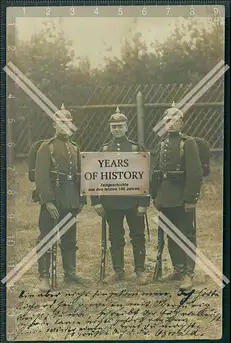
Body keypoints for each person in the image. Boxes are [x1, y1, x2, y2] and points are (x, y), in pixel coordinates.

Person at [92, 106, 150, 285]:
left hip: (133, 202)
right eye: (114, 126)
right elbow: (95, 175)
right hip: (111, 202)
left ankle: (140, 270)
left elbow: (144, 175)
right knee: (115, 236)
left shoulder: (136, 147)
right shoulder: (103, 149)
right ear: (110, 128)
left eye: (120, 126)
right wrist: (96, 202)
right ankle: (118, 271)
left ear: (127, 127)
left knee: (137, 235)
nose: (117, 129)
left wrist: (143, 202)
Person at [151, 102, 203, 291]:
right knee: (171, 234)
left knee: (187, 235)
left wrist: (190, 198)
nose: (170, 123)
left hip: (182, 198)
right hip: (165, 198)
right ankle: (178, 268)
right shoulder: (162, 142)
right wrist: (155, 195)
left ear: (181, 122)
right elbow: (157, 171)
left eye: (174, 120)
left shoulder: (187, 142)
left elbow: (195, 173)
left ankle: (188, 274)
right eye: (167, 120)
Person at [34, 103, 86, 292]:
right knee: (46, 237)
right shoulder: (46, 148)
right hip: (53, 200)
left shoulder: (75, 147)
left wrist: (81, 200)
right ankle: (44, 277)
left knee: (70, 238)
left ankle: (70, 273)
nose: (65, 126)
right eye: (60, 123)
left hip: (70, 199)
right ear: (54, 125)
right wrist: (47, 201)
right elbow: (41, 177)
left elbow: (80, 175)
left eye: (68, 123)